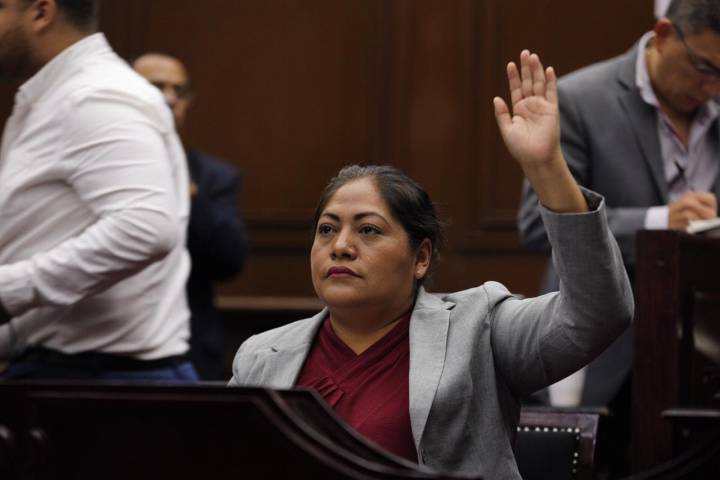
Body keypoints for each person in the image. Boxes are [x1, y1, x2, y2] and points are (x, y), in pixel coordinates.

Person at [228, 50, 634, 478]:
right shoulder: (260, 357)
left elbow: (597, 313)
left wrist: (546, 169)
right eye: (327, 229)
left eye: (368, 230)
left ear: (420, 257)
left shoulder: (479, 330)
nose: (341, 246)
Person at [518, 0, 720, 408]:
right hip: (604, 352)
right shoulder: (579, 99)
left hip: (703, 353)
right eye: (704, 68)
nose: (712, 89)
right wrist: (661, 222)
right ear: (663, 35)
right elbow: (538, 227)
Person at [0, 0, 196, 381]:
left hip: (107, 382)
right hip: (68, 371)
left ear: (41, 12)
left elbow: (146, 227)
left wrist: (10, 290)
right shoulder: (60, 95)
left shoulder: (95, 95)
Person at [133, 52, 248, 380]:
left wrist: (185, 187)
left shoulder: (215, 176)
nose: (170, 98)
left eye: (179, 90)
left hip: (188, 349)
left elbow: (229, 262)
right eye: (156, 87)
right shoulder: (98, 164)